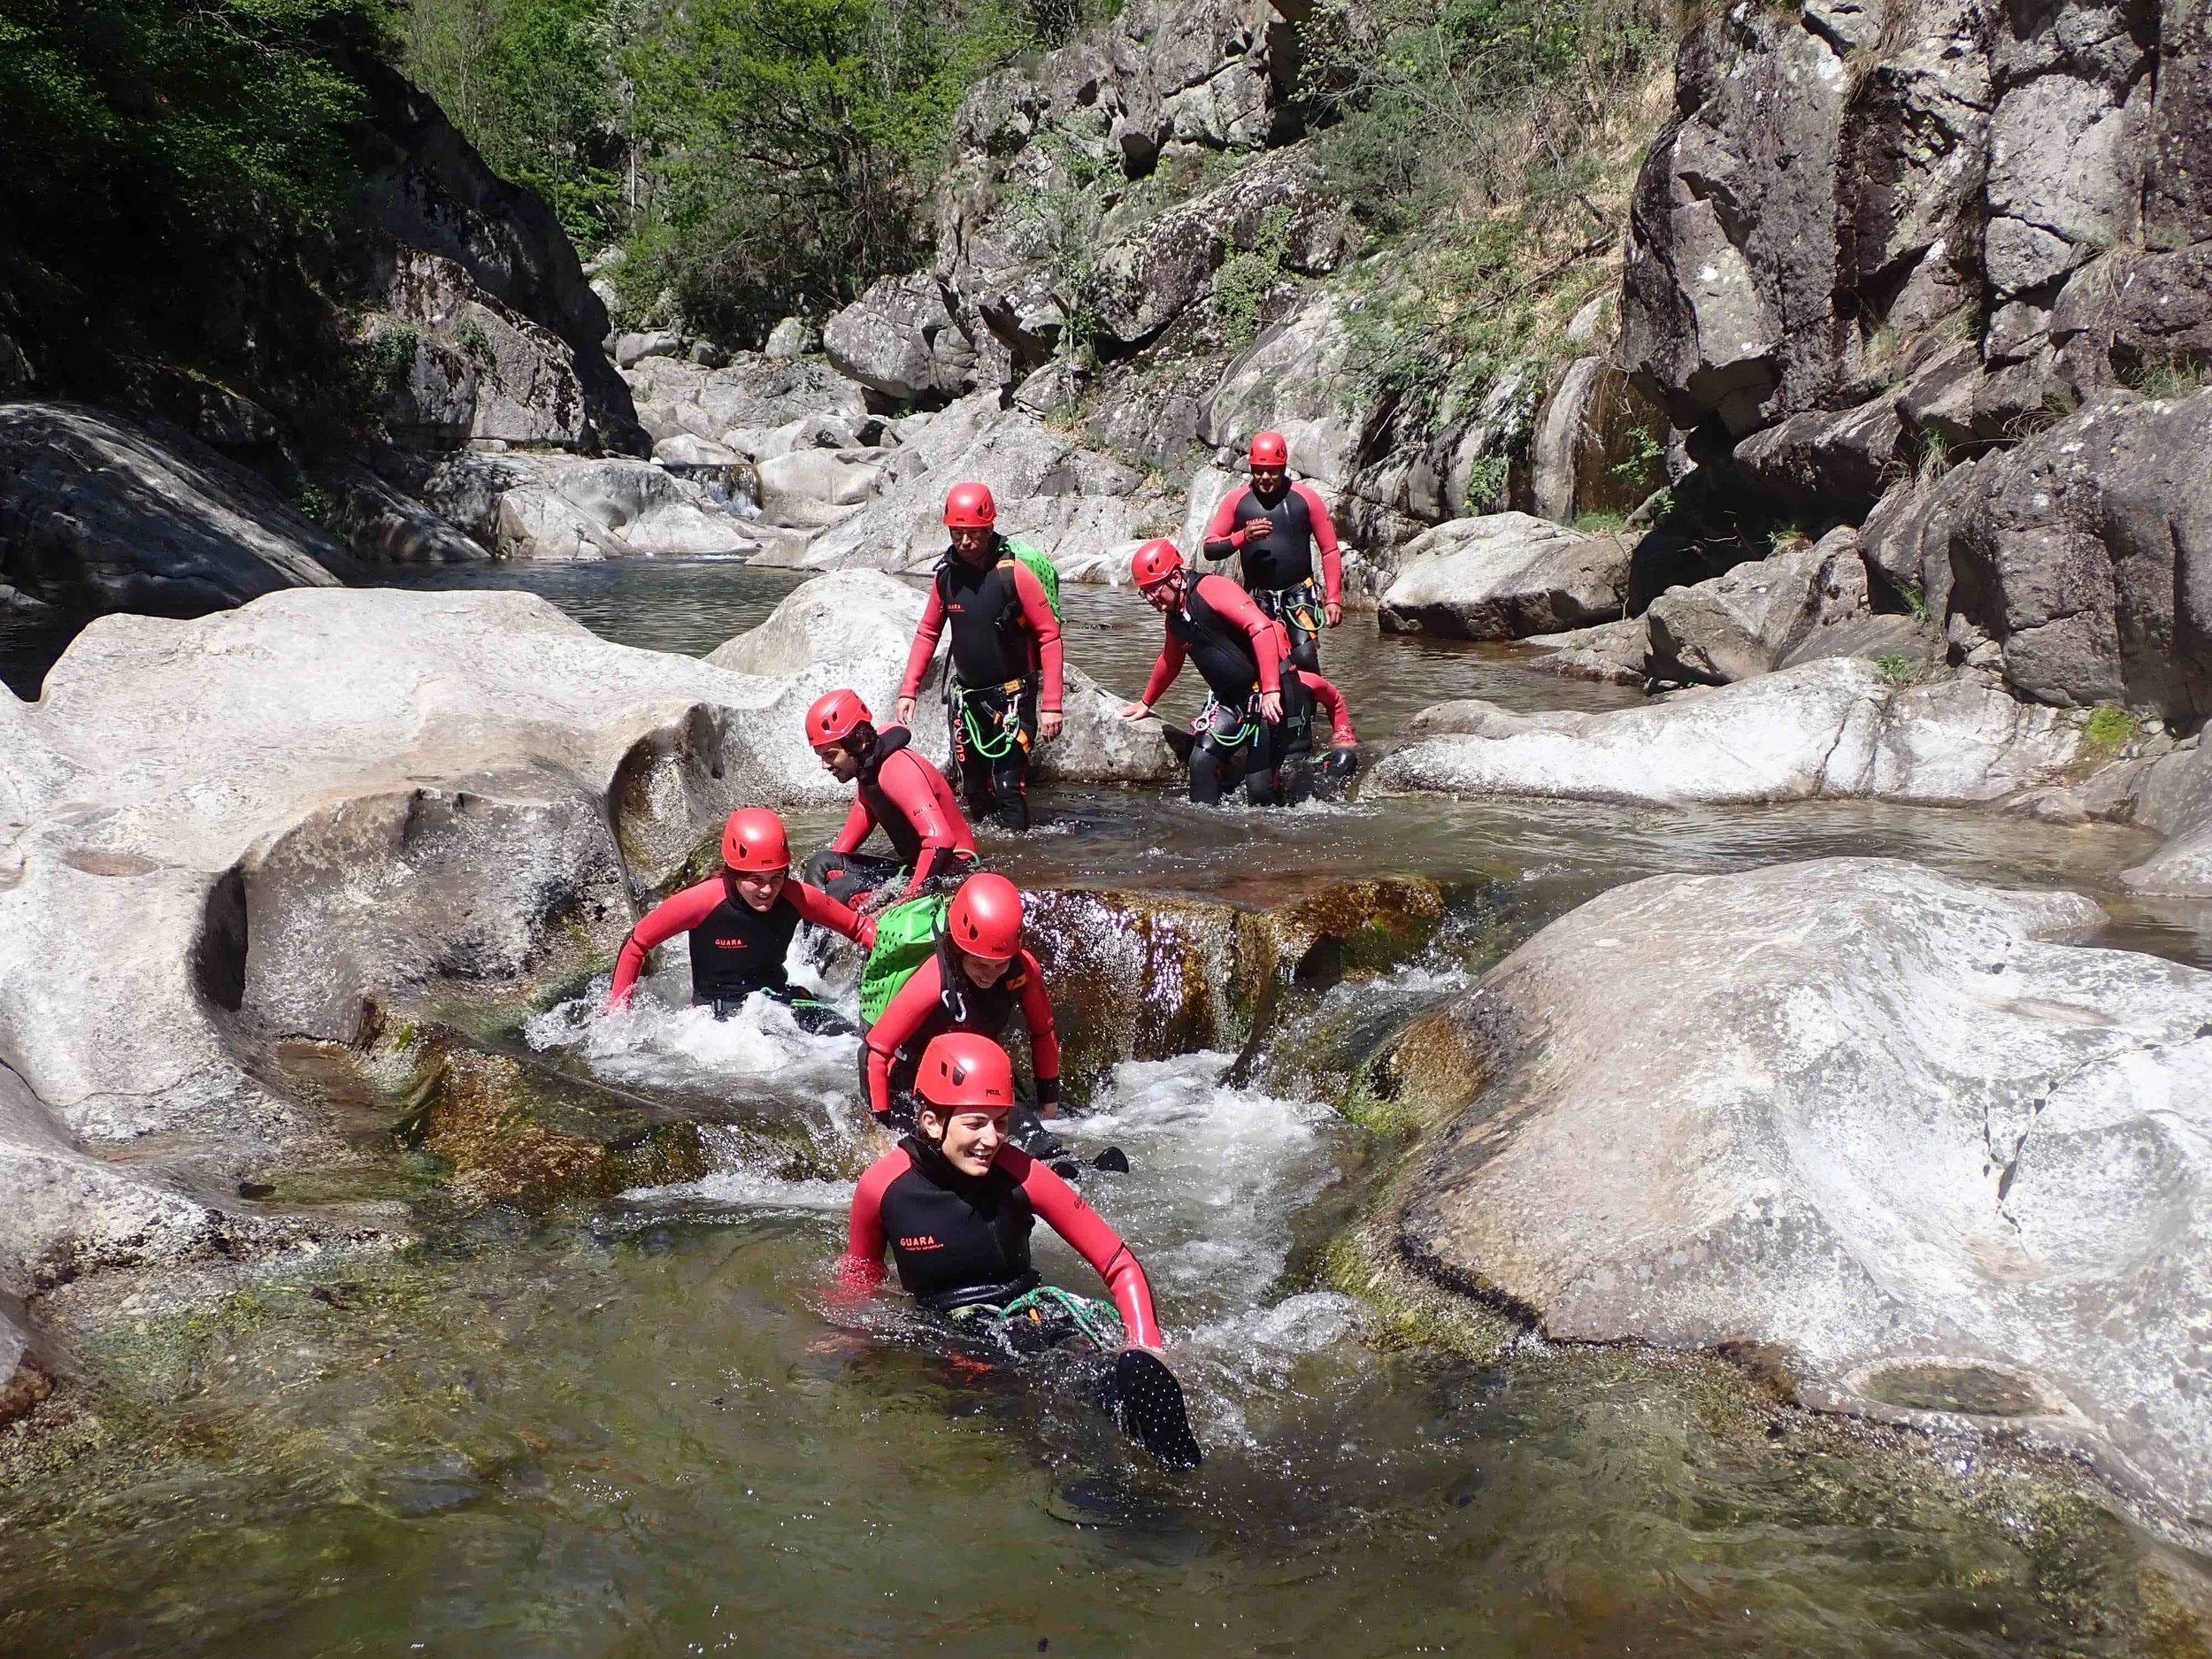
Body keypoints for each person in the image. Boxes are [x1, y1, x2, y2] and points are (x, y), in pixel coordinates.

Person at [835, 1031, 1202, 1470]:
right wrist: (849, 1345)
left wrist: (1146, 1344)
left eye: (1002, 1122)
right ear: (933, 1121)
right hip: (947, 1337)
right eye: (975, 1123)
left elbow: (1118, 1262)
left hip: (1032, 1317)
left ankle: (1165, 1461)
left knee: (1107, 1374)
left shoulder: (1024, 1174)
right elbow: (860, 1277)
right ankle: (1101, 1482)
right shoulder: (882, 1188)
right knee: (1030, 1421)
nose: (992, 1139)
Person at [861, 872, 1080, 1168]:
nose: (990, 974)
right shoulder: (938, 975)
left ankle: (1070, 1171)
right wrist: (881, 1128)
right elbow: (877, 1050)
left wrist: (1049, 1107)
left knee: (1032, 1135)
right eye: (979, 964)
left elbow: (1043, 1032)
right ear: (958, 948)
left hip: (980, 1082)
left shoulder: (1022, 969)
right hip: (919, 1085)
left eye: (999, 965)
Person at [605, 808, 872, 1033]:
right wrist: (618, 1018)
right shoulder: (702, 900)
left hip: (776, 999)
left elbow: (859, 927)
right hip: (718, 1019)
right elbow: (636, 943)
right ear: (733, 874)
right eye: (756, 880)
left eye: (775, 878)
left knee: (850, 1039)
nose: (767, 890)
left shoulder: (796, 896)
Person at [895, 482, 1064, 833]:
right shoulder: (946, 578)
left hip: (1013, 699)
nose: (965, 543)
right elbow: (928, 632)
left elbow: (1049, 636)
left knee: (1007, 787)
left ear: (989, 528)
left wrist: (1052, 704)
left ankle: (1023, 862)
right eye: (957, 534)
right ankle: (984, 859)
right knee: (972, 788)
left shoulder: (1013, 573)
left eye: (973, 534)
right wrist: (908, 689)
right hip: (968, 703)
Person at [1118, 537, 1310, 807]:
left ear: (1174, 578)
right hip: (1233, 700)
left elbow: (1262, 629)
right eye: (1144, 592)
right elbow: (1169, 662)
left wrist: (1271, 690)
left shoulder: (1212, 588)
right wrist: (1146, 701)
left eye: (1153, 589)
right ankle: (1200, 833)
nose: (1150, 598)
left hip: (1275, 692)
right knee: (1202, 761)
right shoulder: (1175, 618)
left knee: (1259, 791)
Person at [800, 688, 979, 913]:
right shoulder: (868, 767)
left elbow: (940, 840)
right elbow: (865, 810)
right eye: (821, 756)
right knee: (821, 865)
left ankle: (825, 944)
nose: (824, 765)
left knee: (842, 889)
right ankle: (804, 942)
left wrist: (906, 902)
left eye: (830, 755)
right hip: (918, 868)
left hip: (953, 873)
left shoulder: (896, 769)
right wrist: (832, 862)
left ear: (859, 741)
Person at [1201, 430, 1344, 673]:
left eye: (1272, 471)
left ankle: (1313, 710)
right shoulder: (1236, 501)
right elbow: (1210, 548)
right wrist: (1241, 537)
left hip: (1299, 593)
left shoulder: (1306, 499)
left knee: (1304, 655)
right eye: (1258, 470)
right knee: (1260, 662)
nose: (1265, 477)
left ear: (1284, 467)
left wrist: (1333, 598)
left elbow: (1329, 550)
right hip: (1257, 596)